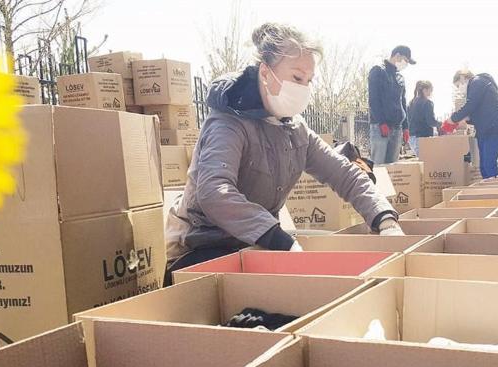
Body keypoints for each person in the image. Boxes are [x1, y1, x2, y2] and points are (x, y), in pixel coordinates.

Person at [164, 23, 403, 285]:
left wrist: (385, 219)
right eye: (297, 78)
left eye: (309, 81)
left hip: (256, 245)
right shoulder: (228, 121)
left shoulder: (294, 129)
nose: (303, 88)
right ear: (266, 73)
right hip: (203, 248)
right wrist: (277, 238)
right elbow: (214, 190)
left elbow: (345, 174)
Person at [442, 70, 498, 179]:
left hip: (494, 128)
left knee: (489, 165)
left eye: (458, 85)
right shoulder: (478, 86)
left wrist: (453, 119)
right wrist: (466, 120)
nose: (459, 88)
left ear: (462, 77)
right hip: (485, 130)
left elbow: (470, 105)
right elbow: (477, 111)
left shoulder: (477, 82)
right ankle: (487, 191)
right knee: (483, 166)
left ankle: (496, 191)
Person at [368, 45, 416, 164]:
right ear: (397, 55)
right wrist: (381, 122)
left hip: (397, 128)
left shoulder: (400, 77)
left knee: (393, 168)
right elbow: (373, 99)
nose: (406, 64)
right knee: (378, 166)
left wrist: (406, 127)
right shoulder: (378, 71)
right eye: (405, 60)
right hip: (381, 128)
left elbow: (403, 103)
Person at [407, 80, 441, 157]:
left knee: (421, 161)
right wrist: (441, 124)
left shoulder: (411, 103)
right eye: (430, 90)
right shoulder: (427, 103)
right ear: (425, 90)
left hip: (412, 137)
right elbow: (431, 121)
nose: (431, 93)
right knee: (428, 162)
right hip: (423, 137)